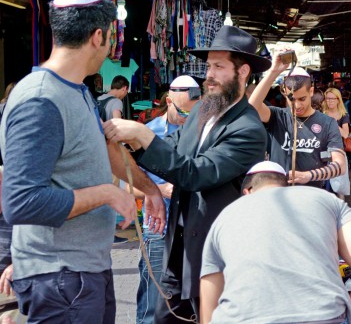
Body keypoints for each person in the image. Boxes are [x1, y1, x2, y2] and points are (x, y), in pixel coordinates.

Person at [0, 0, 165, 323]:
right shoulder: (40, 100)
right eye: (110, 39)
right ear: (98, 36)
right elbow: (21, 203)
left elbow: (102, 151)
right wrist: (105, 193)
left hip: (82, 271)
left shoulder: (78, 91)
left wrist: (149, 190)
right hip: (59, 277)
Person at [103, 25, 269, 324]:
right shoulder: (203, 110)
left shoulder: (249, 129)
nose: (210, 75)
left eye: (219, 67)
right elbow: (173, 151)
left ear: (243, 72)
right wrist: (136, 144)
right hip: (176, 252)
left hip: (214, 258)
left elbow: (195, 174)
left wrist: (142, 132)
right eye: (208, 66)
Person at [199, 161, 351, 324]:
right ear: (286, 187)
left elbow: (209, 299)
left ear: (247, 191)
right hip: (322, 315)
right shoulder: (327, 199)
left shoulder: (226, 215)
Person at [136, 75, 200, 324]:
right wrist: (158, 190)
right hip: (157, 227)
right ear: (168, 100)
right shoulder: (147, 133)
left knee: (181, 298)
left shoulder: (198, 132)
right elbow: (126, 184)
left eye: (192, 113)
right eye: (183, 111)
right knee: (154, 296)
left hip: (189, 225)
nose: (186, 118)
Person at [249, 59, 345, 189]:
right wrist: (273, 72)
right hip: (278, 194)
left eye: (302, 99)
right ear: (284, 93)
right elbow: (252, 107)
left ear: (311, 91)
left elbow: (340, 165)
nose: (297, 105)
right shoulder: (277, 116)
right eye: (291, 99)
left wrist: (309, 175)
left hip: (311, 195)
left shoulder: (328, 123)